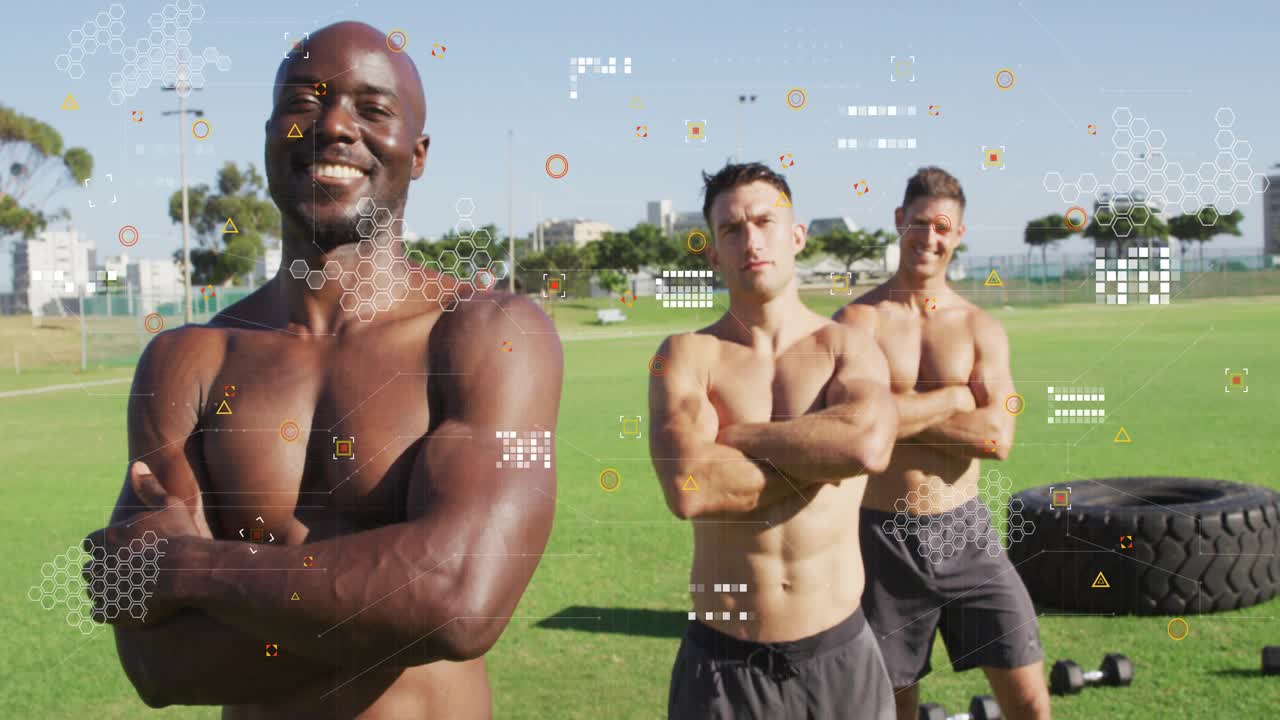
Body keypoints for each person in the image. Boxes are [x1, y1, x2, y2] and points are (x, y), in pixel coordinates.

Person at [84, 21, 563, 719]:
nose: (334, 125)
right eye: (304, 102)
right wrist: (389, 593)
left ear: (419, 153)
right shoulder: (187, 360)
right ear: (271, 134)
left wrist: (189, 570)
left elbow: (461, 598)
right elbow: (158, 664)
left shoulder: (490, 334)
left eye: (372, 108)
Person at [649, 162, 899, 719]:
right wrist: (818, 455)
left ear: (796, 235)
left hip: (839, 655)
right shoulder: (686, 354)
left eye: (765, 221)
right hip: (722, 667)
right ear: (713, 253)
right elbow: (690, 487)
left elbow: (865, 448)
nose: (751, 240)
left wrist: (740, 438)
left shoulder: (848, 347)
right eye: (732, 230)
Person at [834, 167, 1050, 720]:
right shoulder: (859, 321)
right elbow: (855, 428)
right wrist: (955, 398)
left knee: (1029, 701)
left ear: (958, 234)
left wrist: (894, 417)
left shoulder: (980, 327)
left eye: (943, 227)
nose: (929, 237)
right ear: (899, 221)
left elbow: (996, 436)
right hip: (879, 537)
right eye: (920, 223)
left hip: (964, 530)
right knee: (889, 706)